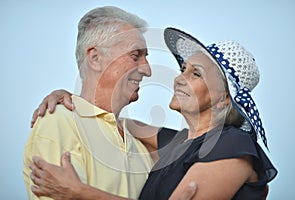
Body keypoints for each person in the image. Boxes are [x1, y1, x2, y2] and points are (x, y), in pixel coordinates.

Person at [30, 27, 277, 199]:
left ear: (224, 100)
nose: (180, 79)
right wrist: (70, 98)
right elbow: (111, 119)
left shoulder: (233, 144)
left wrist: (79, 193)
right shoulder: (176, 143)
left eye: (196, 74)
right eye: (183, 68)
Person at [24, 6, 155, 200]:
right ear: (95, 58)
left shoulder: (141, 148)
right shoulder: (58, 122)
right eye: (135, 56)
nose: (147, 70)